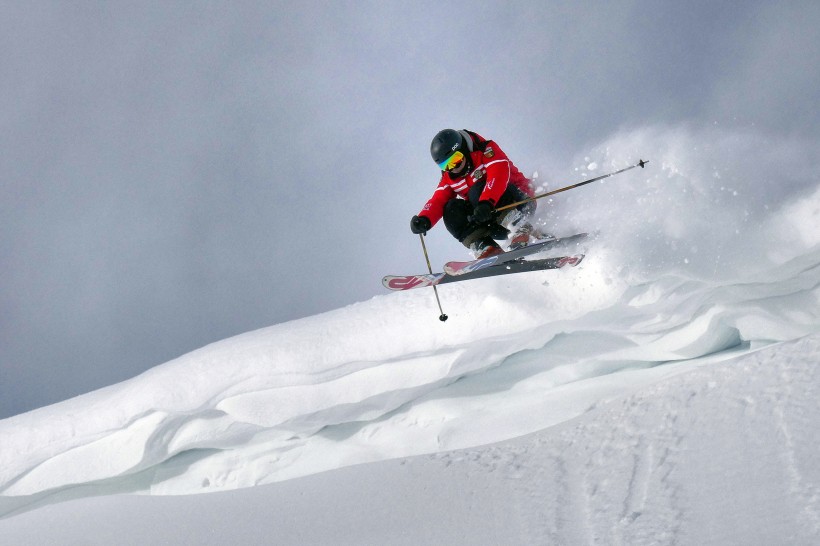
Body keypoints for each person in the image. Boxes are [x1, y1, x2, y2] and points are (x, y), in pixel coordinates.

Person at [410, 129, 541, 259]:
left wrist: (486, 202)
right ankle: (485, 247)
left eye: (456, 159)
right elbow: (438, 200)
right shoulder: (450, 177)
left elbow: (498, 174)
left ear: (464, 150)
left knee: (476, 191)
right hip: (490, 219)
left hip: (519, 204)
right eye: (446, 165)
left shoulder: (485, 150)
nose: (454, 168)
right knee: (451, 208)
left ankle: (520, 227)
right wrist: (424, 219)